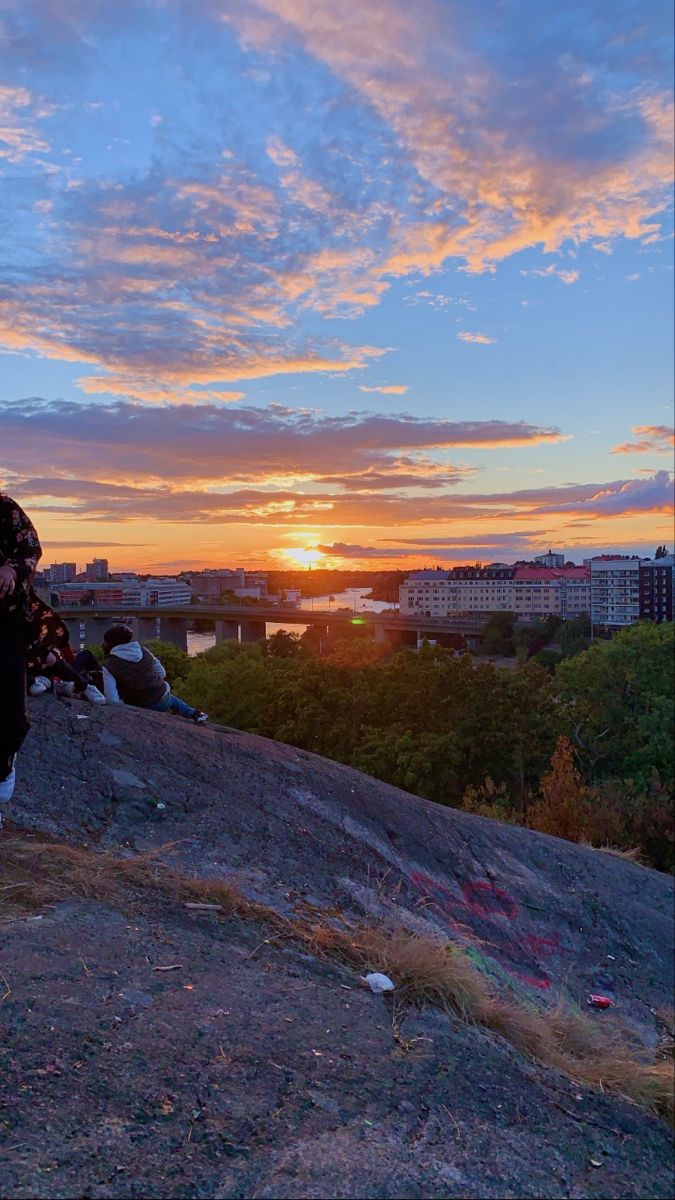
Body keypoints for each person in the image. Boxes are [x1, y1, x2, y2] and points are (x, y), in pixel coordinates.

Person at [0, 494, 43, 814]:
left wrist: (11, 570)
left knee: (10, 710)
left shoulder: (4, 509)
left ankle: (4, 766)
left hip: (6, 619)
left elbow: (30, 548)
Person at [101, 625, 208, 723]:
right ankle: (194, 713)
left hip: (141, 705)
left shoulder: (109, 666)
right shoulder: (144, 651)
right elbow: (162, 673)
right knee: (167, 696)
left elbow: (112, 700)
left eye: (105, 642)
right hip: (163, 700)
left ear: (112, 644)